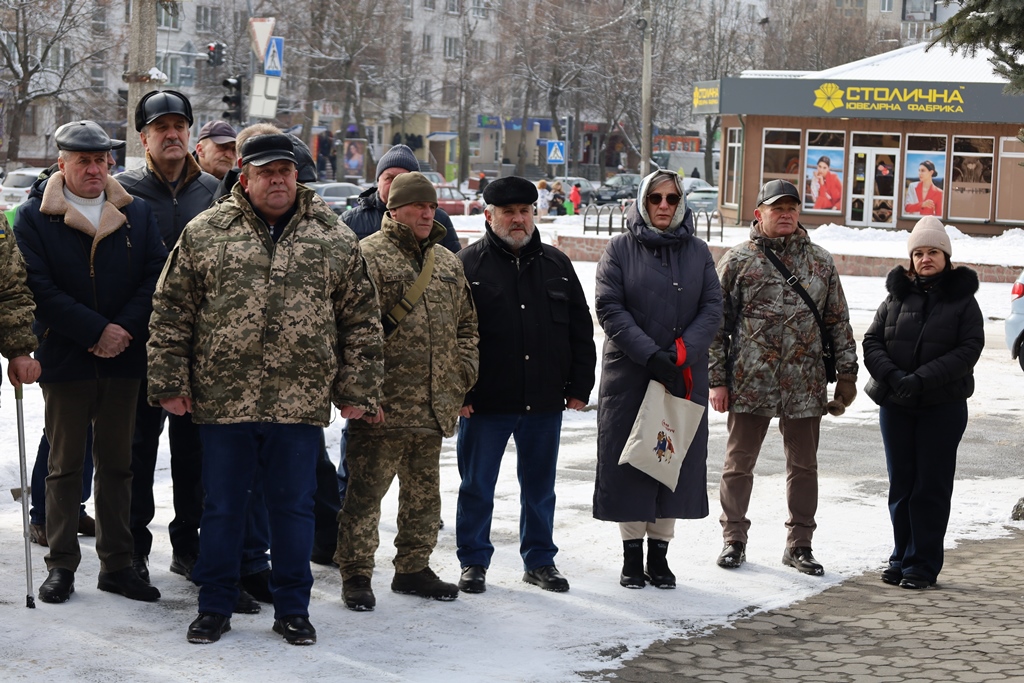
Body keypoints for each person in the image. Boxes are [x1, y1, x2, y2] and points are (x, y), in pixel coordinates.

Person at [147, 130, 384, 645]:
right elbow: (171, 312)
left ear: (296, 176)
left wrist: (357, 390)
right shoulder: (207, 232)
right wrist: (169, 381)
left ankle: (293, 609)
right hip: (223, 400)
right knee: (223, 506)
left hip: (298, 404)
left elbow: (362, 321)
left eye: (285, 171)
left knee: (293, 508)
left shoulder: (332, 236)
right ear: (245, 178)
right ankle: (214, 604)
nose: (277, 180)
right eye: (265, 172)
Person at [15, 120, 167, 604]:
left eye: (102, 160)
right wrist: (95, 331)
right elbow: (37, 287)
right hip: (66, 357)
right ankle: (61, 564)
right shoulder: (33, 217)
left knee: (119, 465)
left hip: (125, 358)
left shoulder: (136, 213)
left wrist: (120, 330)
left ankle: (118, 565)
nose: (95, 169)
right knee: (63, 466)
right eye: (84, 160)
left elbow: (154, 277)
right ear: (62, 163)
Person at [336, 172, 478, 612]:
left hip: (433, 404)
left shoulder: (448, 261)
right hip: (382, 405)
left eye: (431, 206)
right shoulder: (368, 256)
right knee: (364, 495)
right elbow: (348, 330)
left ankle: (413, 567)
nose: (426, 212)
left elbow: (467, 327)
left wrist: (461, 375)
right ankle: (357, 573)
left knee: (424, 495)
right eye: (417, 205)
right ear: (393, 209)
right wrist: (363, 394)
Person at [709, 179, 858, 576]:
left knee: (804, 467)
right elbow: (715, 328)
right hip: (749, 382)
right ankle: (733, 539)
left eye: (792, 207)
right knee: (738, 465)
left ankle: (800, 544)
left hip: (805, 385)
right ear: (759, 214)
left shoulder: (820, 262)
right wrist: (716, 380)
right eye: (778, 208)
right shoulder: (737, 261)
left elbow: (838, 322)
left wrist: (847, 374)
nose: (786, 214)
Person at [455, 176, 595, 594]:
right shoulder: (467, 265)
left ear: (534, 214)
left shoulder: (557, 264)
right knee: (477, 486)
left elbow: (579, 328)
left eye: (524, 212)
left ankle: (539, 560)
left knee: (540, 489)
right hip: (485, 402)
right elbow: (451, 337)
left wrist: (580, 386)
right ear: (488, 216)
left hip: (543, 398)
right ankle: (473, 560)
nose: (518, 220)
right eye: (508, 213)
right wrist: (460, 392)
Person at [593, 170, 723, 589]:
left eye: (671, 198)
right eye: (655, 199)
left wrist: (680, 354)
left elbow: (712, 308)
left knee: (672, 462)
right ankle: (632, 558)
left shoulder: (699, 252)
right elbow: (610, 308)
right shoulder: (618, 249)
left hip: (681, 376)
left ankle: (660, 556)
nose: (664, 206)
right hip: (630, 376)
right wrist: (650, 354)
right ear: (641, 202)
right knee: (632, 463)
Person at [115, 90, 219, 585]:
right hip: (137, 344)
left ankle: (190, 547)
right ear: (144, 138)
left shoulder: (216, 192)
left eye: (180, 126)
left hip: (201, 348)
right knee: (135, 451)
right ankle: (133, 547)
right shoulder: (123, 191)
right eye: (161, 128)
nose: (172, 135)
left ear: (191, 134)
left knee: (194, 454)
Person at [862, 216, 984, 590]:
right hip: (896, 403)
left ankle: (922, 563)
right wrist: (895, 378)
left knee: (929, 486)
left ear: (946, 256)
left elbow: (969, 350)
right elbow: (872, 342)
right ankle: (901, 555)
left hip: (941, 407)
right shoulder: (895, 296)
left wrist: (921, 379)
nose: (925, 259)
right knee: (901, 484)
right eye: (918, 253)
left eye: (933, 252)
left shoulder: (964, 301)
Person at [341, 144, 461, 253]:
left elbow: (455, 266)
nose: (395, 185)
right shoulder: (350, 221)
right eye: (389, 178)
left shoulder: (438, 220)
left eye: (402, 179)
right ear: (378, 181)